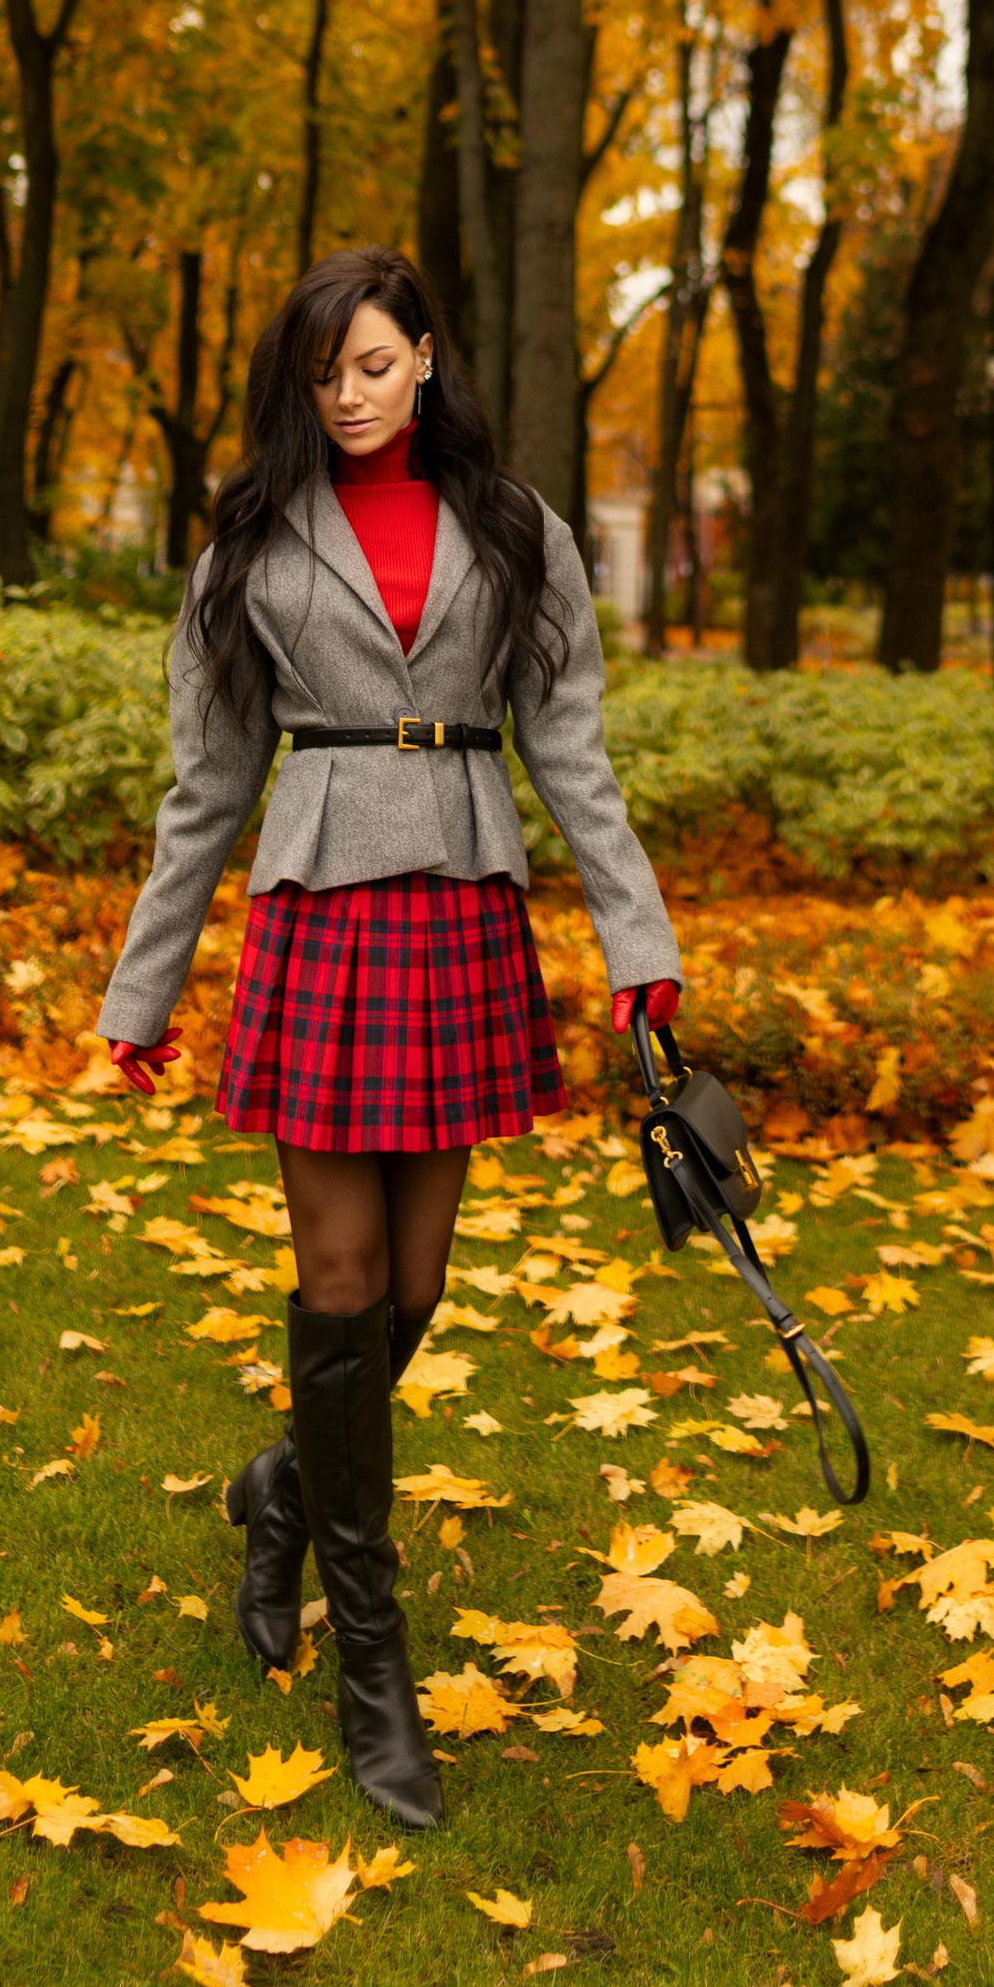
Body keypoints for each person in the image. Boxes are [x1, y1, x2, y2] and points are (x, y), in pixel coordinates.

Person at [96, 247, 683, 1832]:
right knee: (342, 1286)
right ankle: (375, 1661)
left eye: (370, 362)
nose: (346, 393)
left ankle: (281, 1486)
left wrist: (640, 946)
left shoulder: (518, 526)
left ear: (424, 356)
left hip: (466, 904)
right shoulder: (251, 544)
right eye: (321, 371)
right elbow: (205, 782)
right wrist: (142, 994)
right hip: (321, 909)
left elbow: (573, 747)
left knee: (415, 1291)